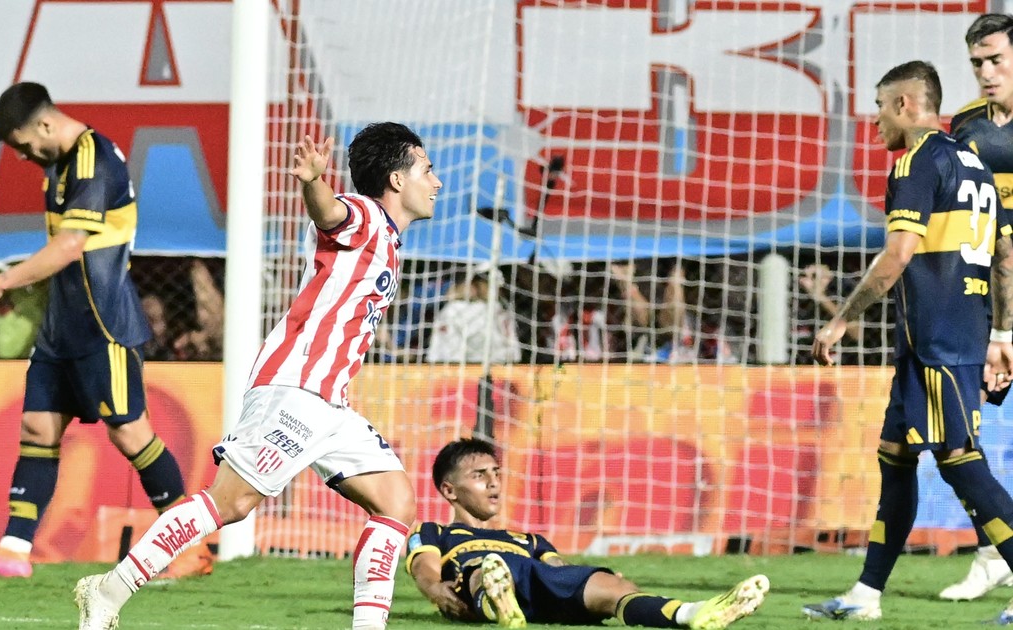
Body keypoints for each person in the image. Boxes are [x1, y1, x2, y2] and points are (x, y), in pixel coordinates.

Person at [73, 122, 441, 630]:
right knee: (233, 502)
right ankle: (108, 592)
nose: (435, 181)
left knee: (396, 501)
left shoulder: (389, 240)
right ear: (397, 179)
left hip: (330, 403)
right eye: (426, 169)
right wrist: (314, 182)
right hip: (295, 389)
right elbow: (331, 214)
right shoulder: (367, 216)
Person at [0, 82, 208, 580]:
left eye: (22, 145)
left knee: (130, 432)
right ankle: (13, 552)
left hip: (103, 323)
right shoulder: (60, 166)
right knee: (37, 429)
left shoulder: (93, 158)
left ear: (45, 124)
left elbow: (69, 246)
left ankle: (189, 547)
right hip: (62, 326)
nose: (22, 156)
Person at [802, 61, 1013, 623]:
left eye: (879, 107)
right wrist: (1000, 333)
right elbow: (1005, 257)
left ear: (904, 104)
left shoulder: (916, 161)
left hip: (938, 337)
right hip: (950, 334)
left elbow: (897, 256)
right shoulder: (976, 164)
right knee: (895, 457)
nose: (875, 121)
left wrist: (839, 319)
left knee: (959, 459)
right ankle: (865, 595)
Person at [407, 438, 768, 629]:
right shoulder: (434, 531)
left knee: (612, 586)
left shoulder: (529, 540)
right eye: (479, 475)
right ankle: (496, 603)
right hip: (472, 587)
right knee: (486, 568)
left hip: (536, 584)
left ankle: (692, 613)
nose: (493, 482)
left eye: (496, 473)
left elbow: (557, 570)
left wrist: (591, 577)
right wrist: (435, 591)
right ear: (449, 490)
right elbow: (425, 569)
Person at [938, 12, 1013, 601]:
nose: (986, 72)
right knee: (959, 438)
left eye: (996, 60)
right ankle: (992, 552)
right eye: (977, 63)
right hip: (987, 305)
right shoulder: (965, 126)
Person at [425, 268, 521, 364]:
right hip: (458, 365)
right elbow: (442, 346)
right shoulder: (454, 309)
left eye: (497, 286)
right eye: (489, 284)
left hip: (494, 365)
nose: (495, 290)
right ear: (474, 284)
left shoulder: (499, 310)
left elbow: (512, 349)